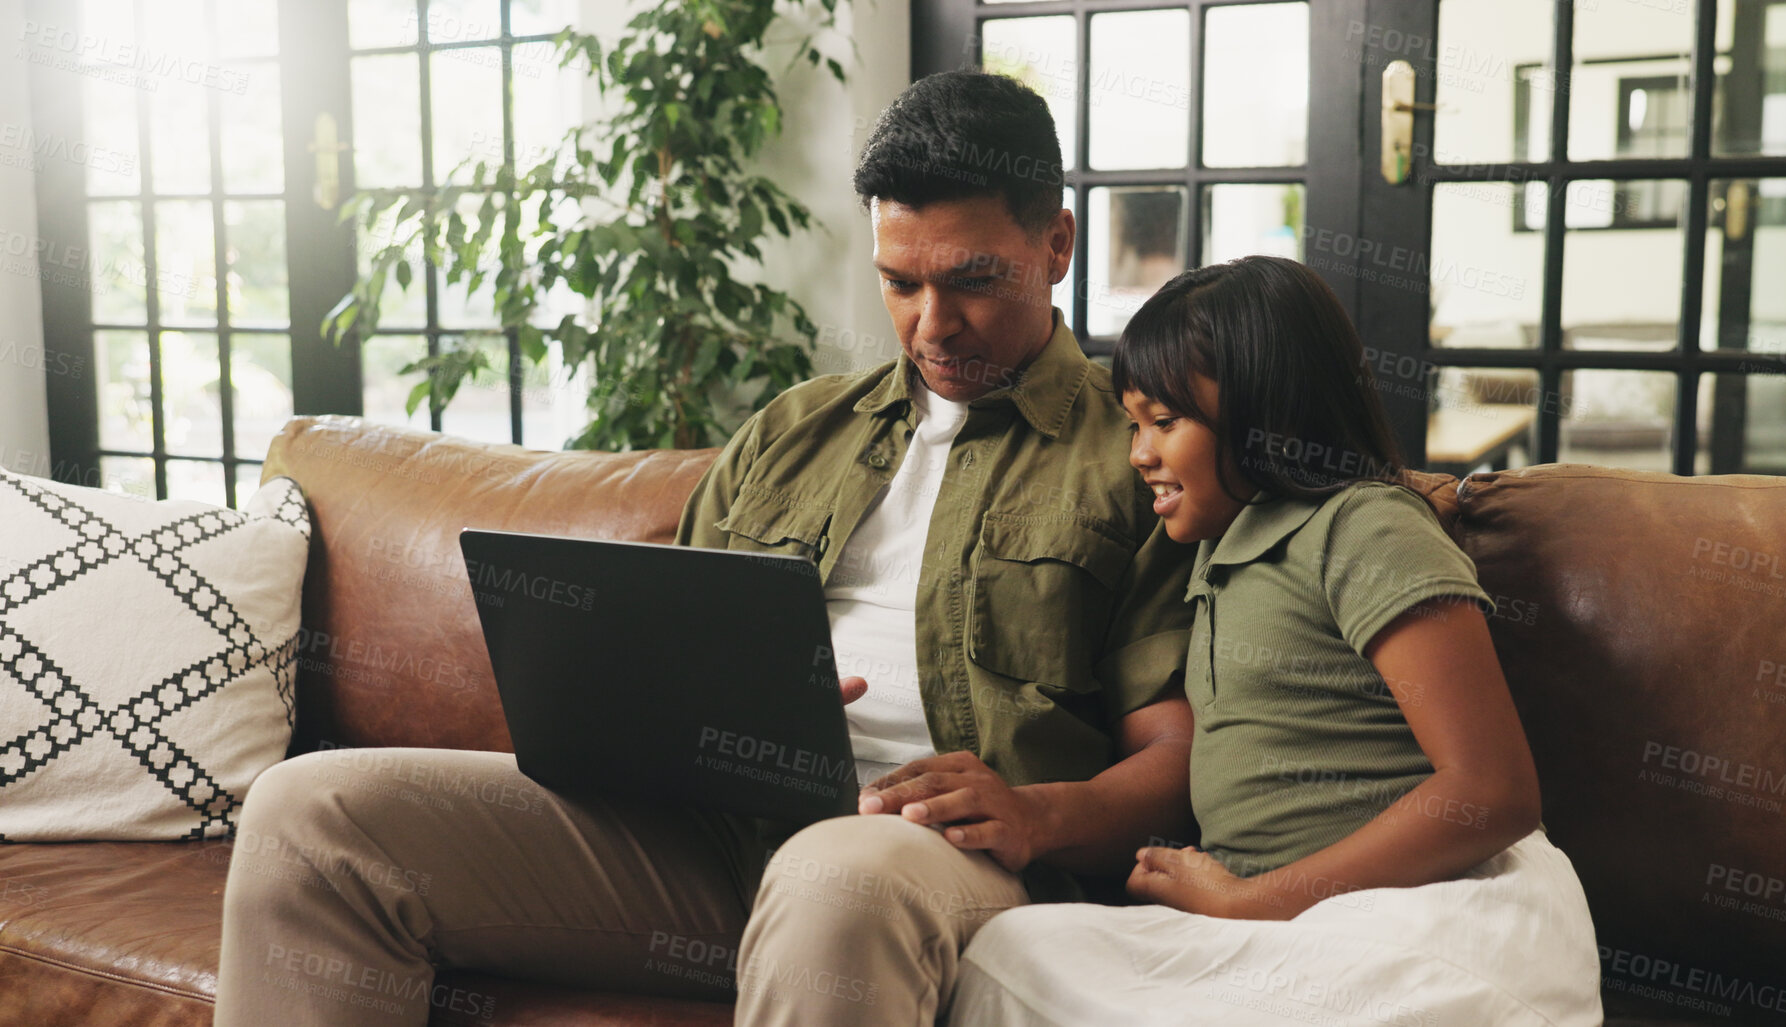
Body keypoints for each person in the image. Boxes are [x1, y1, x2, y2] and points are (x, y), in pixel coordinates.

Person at [211, 71, 1197, 1027]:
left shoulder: (1141, 452)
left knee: (833, 881)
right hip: (708, 837)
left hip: (945, 862)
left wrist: (1035, 814)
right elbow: (660, 650)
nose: (932, 325)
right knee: (313, 814)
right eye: (900, 282)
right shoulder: (792, 431)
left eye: (973, 280)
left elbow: (1172, 757)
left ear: (1056, 244)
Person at [946, 255, 1605, 1026]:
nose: (1138, 453)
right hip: (1283, 923)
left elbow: (1490, 793)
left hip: (1436, 902)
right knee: (1009, 953)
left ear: (1271, 415)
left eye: (1164, 420)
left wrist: (1248, 901)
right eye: (1133, 424)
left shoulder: (1363, 526)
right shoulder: (1215, 553)